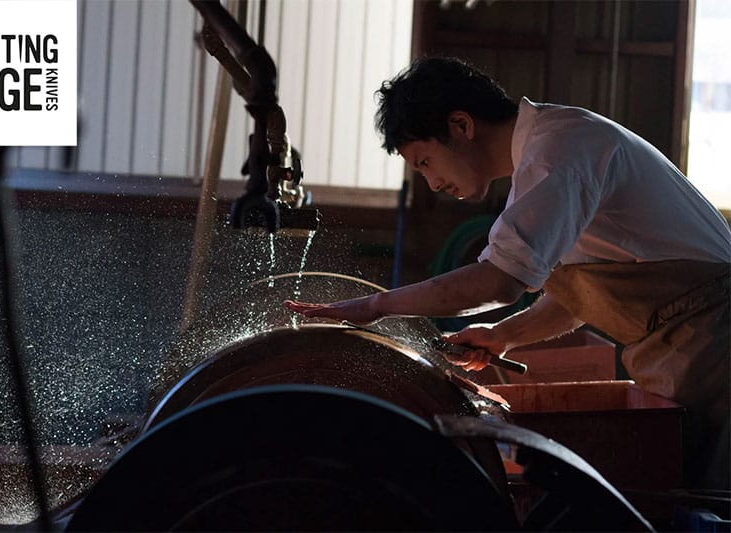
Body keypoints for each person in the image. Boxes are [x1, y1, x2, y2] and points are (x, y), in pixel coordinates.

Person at [285, 56, 731, 489]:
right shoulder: (545, 161)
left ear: (461, 125)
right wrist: (502, 336)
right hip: (685, 348)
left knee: (711, 500)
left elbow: (499, 282)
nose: (433, 183)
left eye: (425, 162)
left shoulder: (558, 151)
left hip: (714, 345)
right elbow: (577, 301)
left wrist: (379, 305)